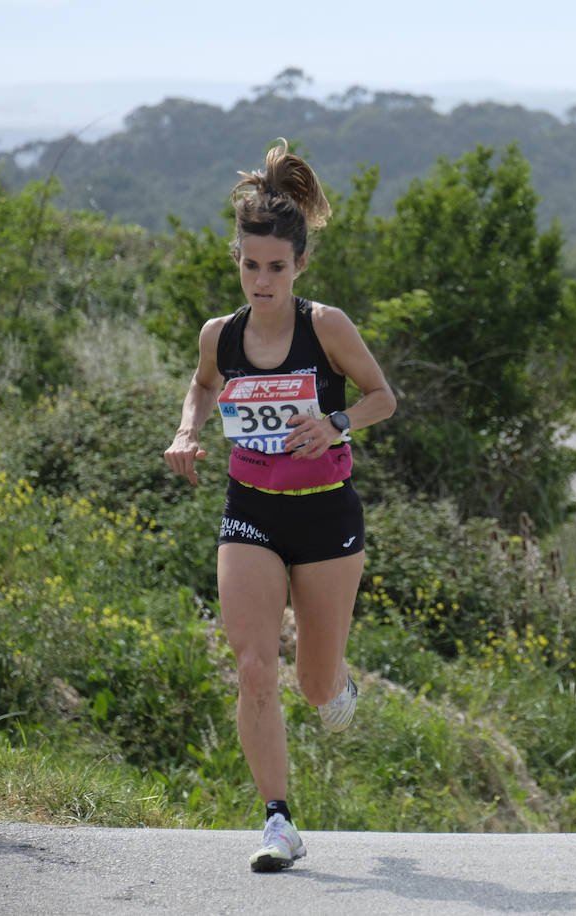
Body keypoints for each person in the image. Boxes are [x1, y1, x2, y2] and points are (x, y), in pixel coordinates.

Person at [164, 140, 396, 872]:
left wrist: (337, 423)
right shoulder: (221, 335)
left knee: (314, 684)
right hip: (251, 511)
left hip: (328, 516)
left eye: (275, 267)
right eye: (249, 264)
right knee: (256, 667)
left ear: (299, 266)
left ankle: (338, 684)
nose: (261, 280)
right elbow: (203, 385)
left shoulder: (326, 326)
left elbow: (383, 396)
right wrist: (186, 431)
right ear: (237, 258)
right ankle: (278, 821)